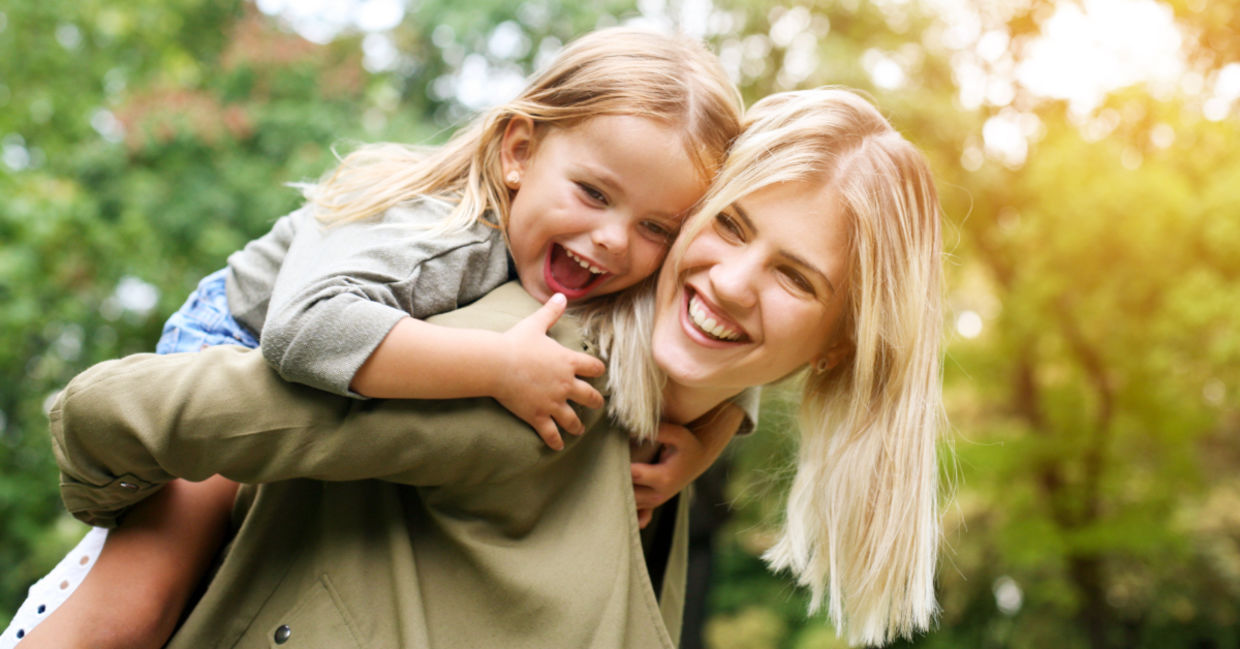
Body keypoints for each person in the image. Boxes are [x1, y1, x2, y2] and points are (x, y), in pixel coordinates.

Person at [38, 87, 944, 648]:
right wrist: (113, 493)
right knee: (124, 612)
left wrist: (709, 434)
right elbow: (126, 408)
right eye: (733, 226)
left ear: (837, 345)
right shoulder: (530, 369)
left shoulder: (664, 441)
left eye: (794, 277)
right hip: (257, 326)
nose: (734, 281)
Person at [1, 27, 744, 649]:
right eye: (593, 192)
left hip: (346, 363)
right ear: (519, 151)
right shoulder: (437, 237)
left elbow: (735, 344)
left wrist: (706, 441)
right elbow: (305, 330)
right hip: (243, 336)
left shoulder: (606, 266)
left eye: (657, 227)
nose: (613, 240)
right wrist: (496, 366)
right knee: (141, 602)